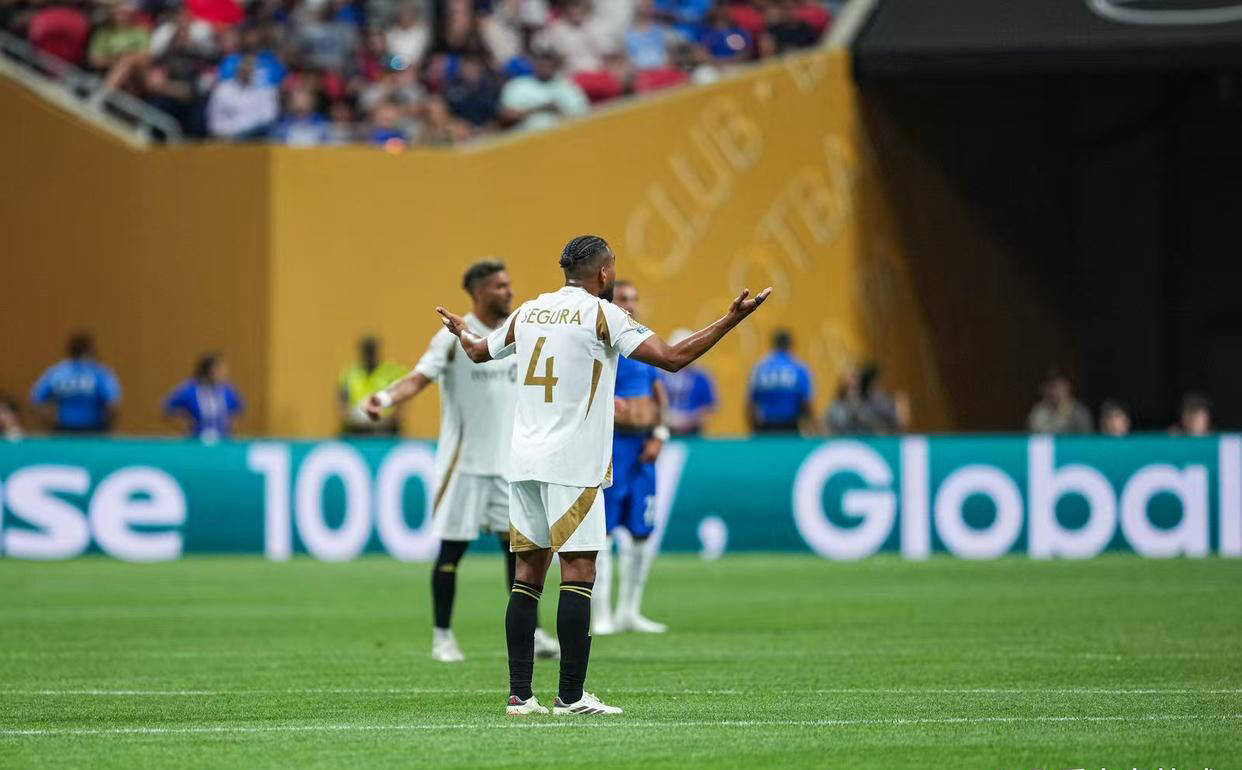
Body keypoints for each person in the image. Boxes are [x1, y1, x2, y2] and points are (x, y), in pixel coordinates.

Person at [435, 234, 770, 717]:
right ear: (604, 274)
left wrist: (461, 330)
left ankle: (520, 696)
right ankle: (570, 696)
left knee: (527, 577)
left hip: (523, 462)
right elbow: (673, 358)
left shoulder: (529, 311)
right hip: (572, 464)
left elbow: (476, 351)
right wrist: (732, 318)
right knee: (579, 572)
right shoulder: (602, 315)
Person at [362, 261, 560, 663]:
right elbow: (418, 378)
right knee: (451, 554)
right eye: (500, 286)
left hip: (509, 467)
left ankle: (534, 632)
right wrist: (384, 399)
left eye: (509, 284)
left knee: (520, 554)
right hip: (463, 466)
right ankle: (442, 637)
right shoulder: (451, 339)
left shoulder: (516, 333)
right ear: (478, 292)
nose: (509, 291)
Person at [593, 281, 670, 636]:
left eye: (634, 299)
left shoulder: (642, 343)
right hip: (612, 447)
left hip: (643, 448)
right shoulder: (601, 343)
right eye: (624, 299)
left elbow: (659, 395)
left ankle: (629, 611)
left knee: (642, 531)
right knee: (604, 532)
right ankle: (601, 614)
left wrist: (659, 434)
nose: (631, 305)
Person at [30, 333, 121, 433]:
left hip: (63, 430)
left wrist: (48, 422)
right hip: (93, 431)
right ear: (90, 350)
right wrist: (109, 427)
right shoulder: (98, 372)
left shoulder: (56, 373)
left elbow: (36, 399)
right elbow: (112, 403)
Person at [498, 48, 590, 132]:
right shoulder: (517, 86)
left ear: (555, 66)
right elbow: (506, 116)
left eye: (548, 65)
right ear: (534, 65)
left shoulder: (567, 86)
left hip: (564, 133)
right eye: (541, 65)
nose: (544, 69)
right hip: (529, 137)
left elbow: (583, 113)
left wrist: (559, 109)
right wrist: (539, 108)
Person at [162, 353, 244, 441]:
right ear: (209, 371)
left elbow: (238, 410)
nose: (224, 373)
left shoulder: (227, 389)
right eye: (219, 369)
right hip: (196, 440)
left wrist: (229, 427)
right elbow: (167, 408)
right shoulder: (189, 389)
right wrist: (184, 426)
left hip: (222, 440)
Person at [747, 329, 812, 434]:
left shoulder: (760, 368)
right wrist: (811, 427)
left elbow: (750, 404)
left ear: (774, 344)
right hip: (790, 428)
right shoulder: (798, 368)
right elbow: (806, 402)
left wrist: (754, 429)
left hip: (765, 428)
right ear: (790, 345)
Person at [338, 336, 406, 436]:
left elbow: (401, 405)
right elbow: (342, 403)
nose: (368, 355)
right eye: (366, 351)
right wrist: (352, 418)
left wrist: (384, 420)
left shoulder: (391, 373)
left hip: (386, 430)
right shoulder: (350, 374)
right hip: (356, 429)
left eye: (370, 351)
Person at [658, 327, 717, 436]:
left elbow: (709, 407)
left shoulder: (701, 377)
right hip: (664, 433)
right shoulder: (660, 376)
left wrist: (690, 419)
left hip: (693, 434)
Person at [206, 53, 279, 139]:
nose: (247, 70)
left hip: (257, 138)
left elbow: (269, 117)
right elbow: (214, 119)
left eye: (251, 66)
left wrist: (250, 130)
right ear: (237, 68)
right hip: (227, 138)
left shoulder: (264, 89)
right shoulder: (223, 89)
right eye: (245, 65)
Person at [1027, 370, 1092, 434]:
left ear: (1068, 387)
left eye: (1058, 387)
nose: (1054, 392)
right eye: (1050, 387)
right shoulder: (1038, 411)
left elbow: (1087, 437)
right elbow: (1031, 434)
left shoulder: (1079, 412)